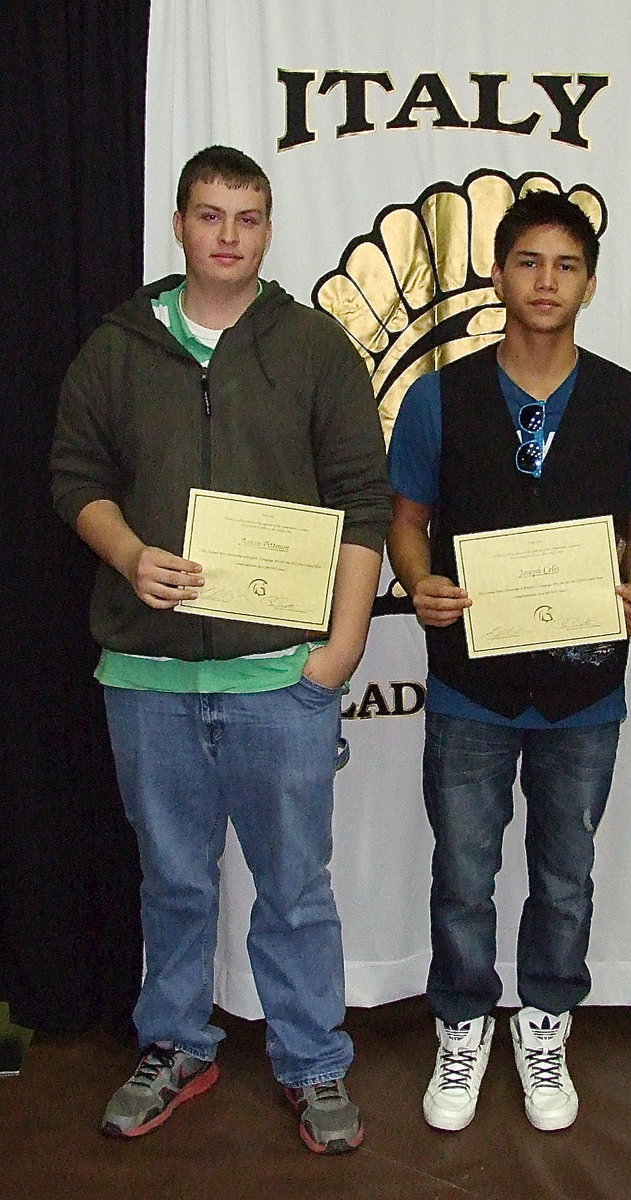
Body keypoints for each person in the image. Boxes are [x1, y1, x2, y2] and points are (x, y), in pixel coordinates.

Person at [51, 146, 390, 1154]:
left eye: (247, 217)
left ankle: (313, 1060)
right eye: (210, 215)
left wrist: (340, 647)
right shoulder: (117, 348)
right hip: (147, 674)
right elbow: (74, 475)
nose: (228, 235)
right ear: (180, 224)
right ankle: (175, 1044)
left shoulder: (316, 346)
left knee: (294, 884)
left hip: (278, 674)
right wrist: (127, 551)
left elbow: (360, 504)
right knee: (174, 879)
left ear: (269, 228)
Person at [386, 190, 631, 1133]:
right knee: (463, 874)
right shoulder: (439, 396)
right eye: (527, 262)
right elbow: (405, 528)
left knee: (566, 876)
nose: (545, 281)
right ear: (499, 274)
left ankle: (546, 1019)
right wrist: (422, 580)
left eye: (565, 265)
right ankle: (465, 1021)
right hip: (469, 684)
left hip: (583, 691)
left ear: (589, 283)